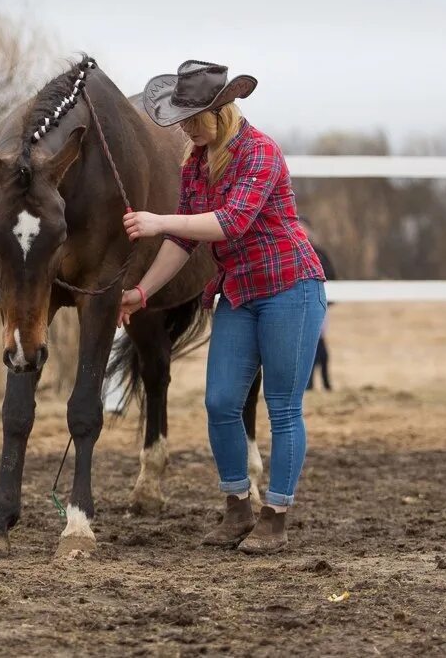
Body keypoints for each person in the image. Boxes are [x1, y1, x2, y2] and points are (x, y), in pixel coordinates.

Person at [119, 60, 326, 554]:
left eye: (192, 119)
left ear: (220, 111)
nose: (185, 129)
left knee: (282, 407)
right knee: (219, 403)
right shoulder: (194, 162)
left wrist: (155, 219)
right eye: (181, 120)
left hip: (289, 289)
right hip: (238, 291)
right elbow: (182, 240)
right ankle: (237, 509)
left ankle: (274, 516)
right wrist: (142, 292)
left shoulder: (260, 152)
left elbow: (229, 223)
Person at [299, 216, 337, 391]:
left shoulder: (319, 253)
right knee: (308, 346)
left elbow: (331, 276)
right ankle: (310, 383)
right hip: (297, 306)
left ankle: (323, 382)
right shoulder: (290, 252)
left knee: (318, 344)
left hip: (318, 305)